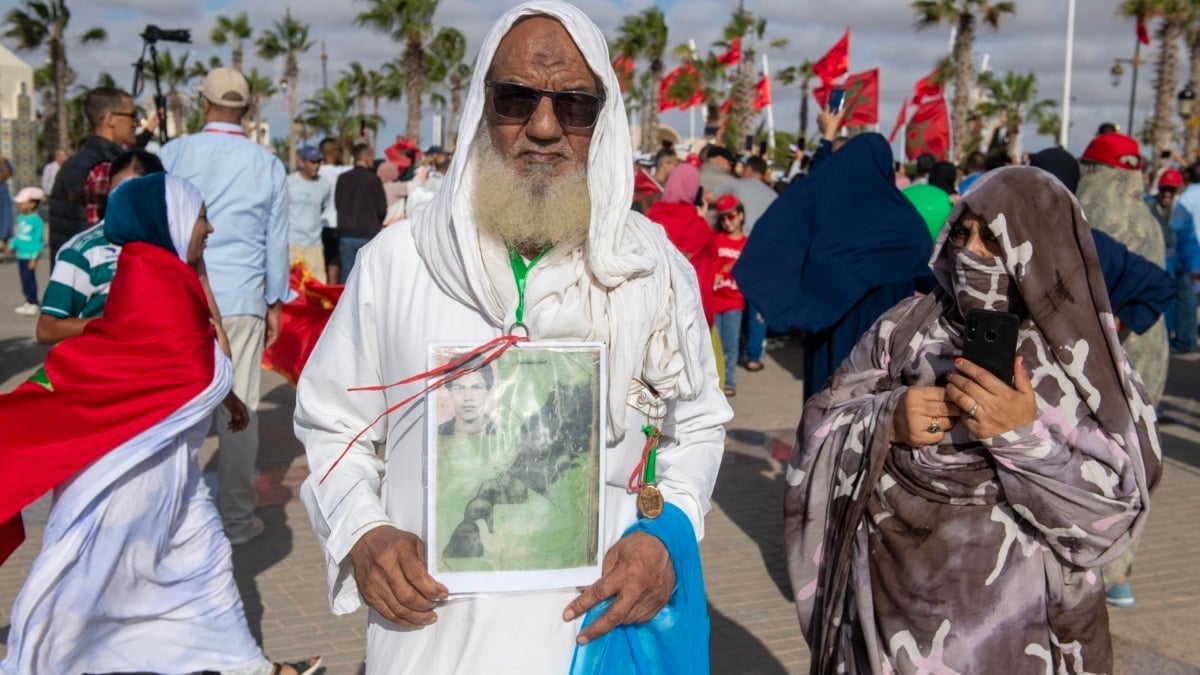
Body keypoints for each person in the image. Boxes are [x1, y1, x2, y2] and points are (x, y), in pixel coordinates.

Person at [294, 3, 730, 672]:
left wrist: (667, 536)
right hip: (430, 645)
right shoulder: (399, 262)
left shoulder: (653, 270)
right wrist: (362, 530)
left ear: (601, 120)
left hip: (596, 642)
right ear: (480, 107)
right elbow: (332, 422)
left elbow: (696, 424)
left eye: (574, 106)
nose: (545, 128)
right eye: (516, 99)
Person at [784, 166, 1160, 674]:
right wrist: (887, 419)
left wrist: (1021, 439)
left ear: (1041, 245)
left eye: (995, 237)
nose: (973, 252)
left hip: (1022, 639)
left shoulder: (1083, 364)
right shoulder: (902, 329)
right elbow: (820, 426)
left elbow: (1112, 518)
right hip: (886, 633)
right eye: (963, 233)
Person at [0, 172, 322, 675]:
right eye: (199, 217)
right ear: (166, 220)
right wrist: (221, 386)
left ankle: (245, 666)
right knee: (81, 583)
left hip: (168, 467)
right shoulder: (153, 277)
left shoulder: (164, 270)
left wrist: (226, 390)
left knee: (205, 562)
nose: (209, 228)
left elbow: (192, 364)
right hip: (124, 479)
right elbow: (192, 371)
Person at [159, 66, 289, 546]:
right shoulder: (267, 163)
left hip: (178, 294)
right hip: (242, 296)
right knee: (241, 407)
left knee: (180, 409)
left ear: (203, 103)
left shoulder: (172, 153)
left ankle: (173, 520)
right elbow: (277, 242)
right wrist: (274, 301)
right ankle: (234, 520)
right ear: (248, 109)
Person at [735, 133, 934, 401]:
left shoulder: (829, 224)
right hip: (883, 349)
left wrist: (825, 143)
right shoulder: (905, 224)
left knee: (824, 424)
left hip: (829, 346)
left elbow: (803, 203)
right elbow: (930, 276)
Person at [36, 150, 163, 345]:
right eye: (117, 192)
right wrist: (113, 323)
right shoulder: (83, 251)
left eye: (136, 193)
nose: (124, 201)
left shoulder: (172, 244)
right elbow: (47, 329)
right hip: (103, 368)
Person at [47, 87, 140, 263]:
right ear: (110, 119)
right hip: (96, 278)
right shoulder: (104, 168)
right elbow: (100, 234)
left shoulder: (76, 162)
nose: (136, 123)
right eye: (132, 115)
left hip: (71, 273)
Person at [1146, 168, 1200, 353]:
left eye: (1171, 190)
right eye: (1164, 189)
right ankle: (1164, 343)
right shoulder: (1147, 207)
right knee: (1163, 304)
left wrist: (1194, 268)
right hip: (1155, 261)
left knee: (1187, 300)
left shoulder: (1182, 212)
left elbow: (1189, 243)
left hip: (1176, 262)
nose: (1167, 194)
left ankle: (1186, 340)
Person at [335, 143, 388, 283]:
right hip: (368, 234)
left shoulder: (342, 178)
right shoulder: (373, 180)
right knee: (367, 276)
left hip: (346, 233)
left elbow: (337, 203)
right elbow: (382, 208)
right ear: (366, 157)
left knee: (347, 276)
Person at [713, 195, 748, 397]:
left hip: (734, 301)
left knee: (731, 344)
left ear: (741, 215)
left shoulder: (746, 243)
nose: (727, 221)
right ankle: (716, 382)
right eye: (723, 218)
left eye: (731, 216)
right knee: (714, 346)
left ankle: (729, 380)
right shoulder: (715, 239)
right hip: (715, 300)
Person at [288, 145, 333, 283]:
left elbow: (323, 208)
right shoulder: (289, 182)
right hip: (292, 243)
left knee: (318, 285)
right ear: (302, 162)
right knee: (293, 286)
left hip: (315, 244)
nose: (317, 165)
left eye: (319, 162)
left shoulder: (324, 185)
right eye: (313, 162)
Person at [318, 137, 350, 283]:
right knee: (335, 265)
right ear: (333, 152)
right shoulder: (343, 171)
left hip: (322, 223)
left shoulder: (318, 172)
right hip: (338, 222)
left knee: (326, 261)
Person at [11, 187, 45, 316]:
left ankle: (33, 302)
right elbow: (18, 235)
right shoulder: (21, 218)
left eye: (22, 203)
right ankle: (28, 300)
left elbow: (38, 241)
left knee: (29, 278)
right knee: (24, 279)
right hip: (20, 255)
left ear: (32, 204)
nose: (19, 205)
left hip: (30, 256)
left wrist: (34, 257)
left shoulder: (37, 221)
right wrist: (11, 245)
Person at [438, 364, 498, 436]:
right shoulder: (436, 433)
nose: (467, 397)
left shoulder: (503, 434)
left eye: (476, 388)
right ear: (450, 393)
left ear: (488, 392)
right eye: (459, 389)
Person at [0, 147, 14, 260]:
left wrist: (3, 162)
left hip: (3, 194)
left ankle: (5, 246)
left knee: (5, 218)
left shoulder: (5, 162)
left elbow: (7, 175)